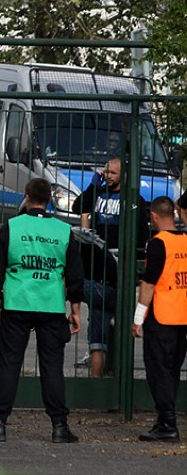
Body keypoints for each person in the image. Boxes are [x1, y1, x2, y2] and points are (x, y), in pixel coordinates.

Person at [0, 178, 84, 444]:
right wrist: (75, 310)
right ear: (50, 199)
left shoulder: (12, 227)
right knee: (52, 367)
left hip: (17, 303)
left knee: (10, 364)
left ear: (26, 196)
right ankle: (60, 426)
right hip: (49, 305)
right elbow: (74, 276)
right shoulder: (63, 230)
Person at [71, 157, 148, 377]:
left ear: (124, 176)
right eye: (106, 171)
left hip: (119, 269)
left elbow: (141, 234)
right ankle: (99, 381)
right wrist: (94, 184)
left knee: (114, 328)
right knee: (98, 330)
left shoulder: (134, 199)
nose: (108, 175)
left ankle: (116, 378)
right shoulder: (98, 193)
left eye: (113, 172)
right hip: (96, 267)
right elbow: (79, 207)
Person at [132, 196, 187, 442]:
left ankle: (167, 422)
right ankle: (166, 418)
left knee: (158, 371)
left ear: (154, 216)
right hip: (182, 316)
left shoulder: (158, 243)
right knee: (172, 371)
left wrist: (138, 318)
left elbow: (149, 284)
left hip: (162, 316)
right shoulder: (186, 241)